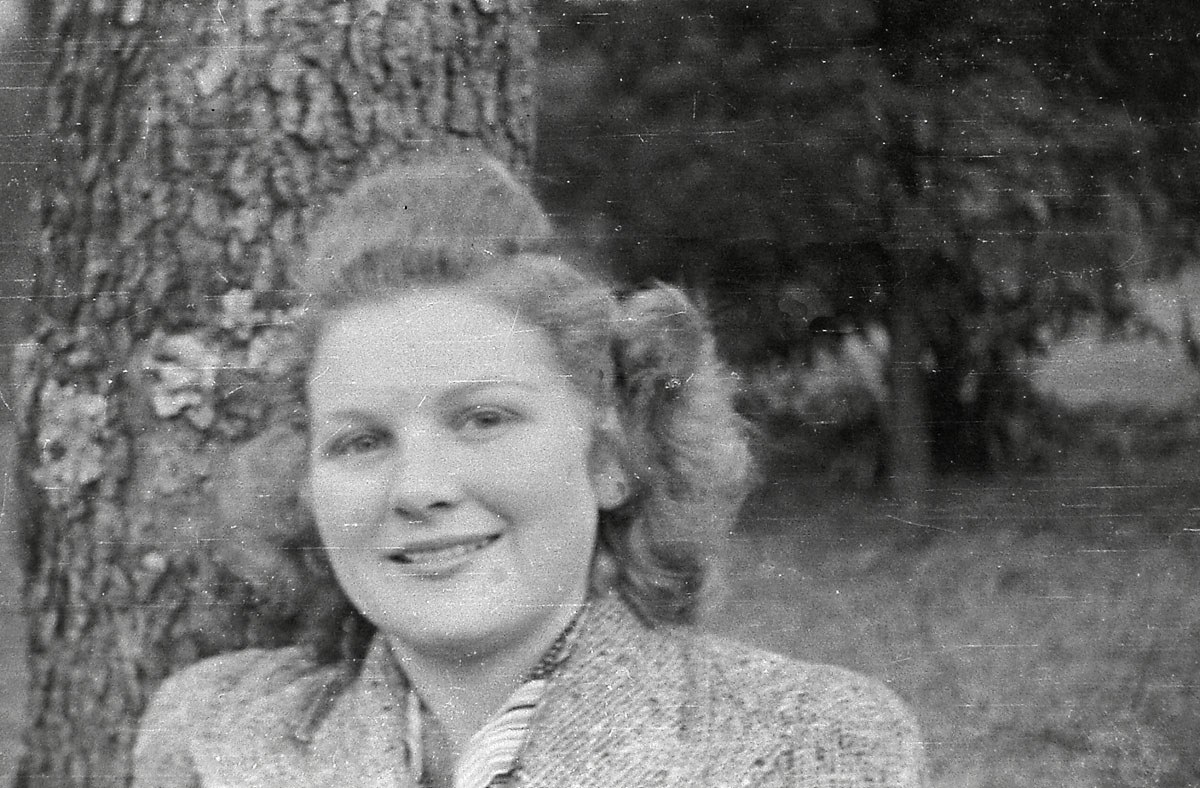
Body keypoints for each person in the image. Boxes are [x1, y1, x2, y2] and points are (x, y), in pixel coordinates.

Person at [132, 151, 925, 788]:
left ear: (611, 457)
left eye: (483, 419)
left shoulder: (804, 746)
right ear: (306, 487)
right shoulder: (210, 735)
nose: (419, 489)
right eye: (361, 441)